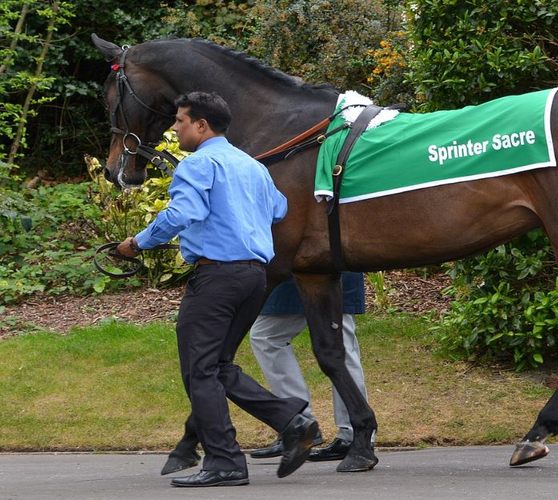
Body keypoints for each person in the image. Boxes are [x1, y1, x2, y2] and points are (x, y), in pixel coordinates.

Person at [116, 91, 318, 488]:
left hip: (217, 277)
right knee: (219, 364)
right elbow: (279, 209)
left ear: (201, 125)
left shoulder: (198, 165)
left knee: (199, 371)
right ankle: (292, 421)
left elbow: (183, 213)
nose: (175, 128)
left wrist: (138, 243)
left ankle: (225, 461)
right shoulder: (252, 166)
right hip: (254, 277)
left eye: (180, 121)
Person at [249, 272, 370, 462]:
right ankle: (312, 426)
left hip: (313, 257)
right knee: (269, 337)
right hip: (310, 259)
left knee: (269, 337)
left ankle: (305, 425)